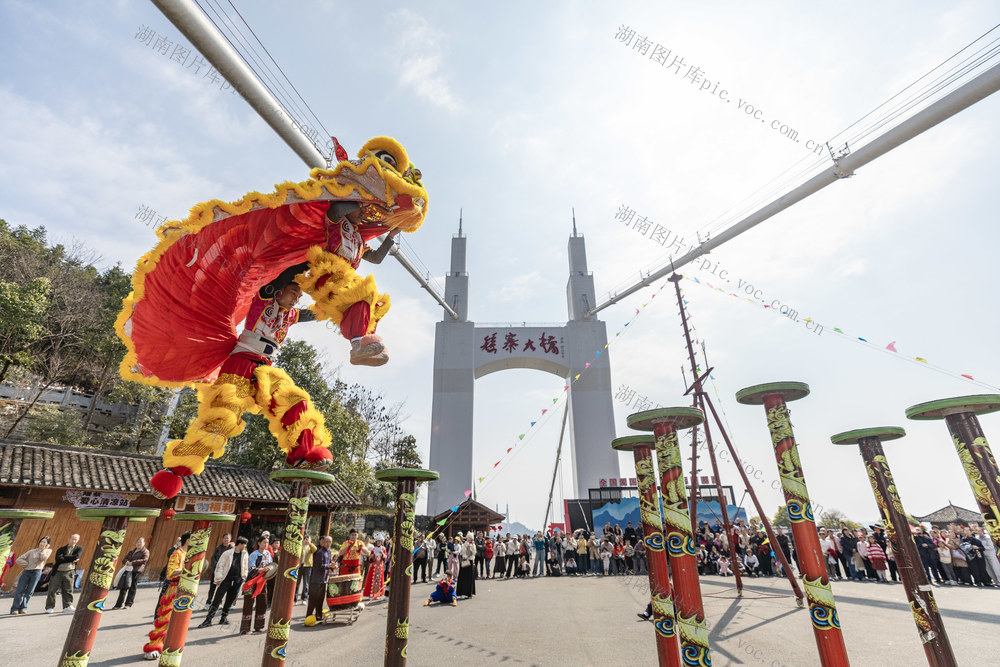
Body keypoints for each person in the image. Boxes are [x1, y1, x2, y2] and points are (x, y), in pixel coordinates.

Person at [144, 531, 190, 659]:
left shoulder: (189, 555)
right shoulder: (177, 554)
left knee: (179, 622)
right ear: (188, 540)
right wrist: (188, 568)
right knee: (165, 619)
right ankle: (154, 647)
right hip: (174, 590)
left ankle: (168, 646)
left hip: (185, 590)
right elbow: (170, 573)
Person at [199, 536, 248, 627]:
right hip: (226, 579)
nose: (245, 546)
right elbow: (220, 566)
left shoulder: (245, 554)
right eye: (244, 544)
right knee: (217, 599)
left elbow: (245, 566)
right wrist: (219, 578)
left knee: (230, 599)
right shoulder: (227, 553)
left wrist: (243, 577)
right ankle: (208, 619)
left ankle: (224, 618)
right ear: (240, 544)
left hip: (237, 580)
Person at [10, 536, 51, 614]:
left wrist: (43, 550)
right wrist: (27, 564)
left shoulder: (48, 551)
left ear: (47, 544)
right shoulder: (31, 551)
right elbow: (19, 559)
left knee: (30, 591)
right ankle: (14, 608)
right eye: (41, 541)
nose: (42, 543)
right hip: (26, 572)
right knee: (19, 590)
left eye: (44, 542)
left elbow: (43, 558)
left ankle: (23, 607)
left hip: (37, 572)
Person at [242, 536, 273, 634]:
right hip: (252, 581)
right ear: (259, 543)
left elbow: (271, 566)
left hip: (262, 582)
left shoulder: (268, 554)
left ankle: (259, 626)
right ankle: (245, 629)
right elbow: (251, 569)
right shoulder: (254, 554)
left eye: (267, 542)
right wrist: (262, 570)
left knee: (262, 603)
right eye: (264, 542)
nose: (266, 544)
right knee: (248, 604)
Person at [45, 534, 82, 613]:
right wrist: (71, 558)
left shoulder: (79, 548)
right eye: (72, 539)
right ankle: (49, 607)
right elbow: (59, 559)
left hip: (70, 571)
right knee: (52, 589)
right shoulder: (61, 549)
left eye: (75, 539)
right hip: (58, 571)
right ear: (69, 539)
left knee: (68, 589)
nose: (74, 541)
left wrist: (66, 557)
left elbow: (77, 557)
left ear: (78, 540)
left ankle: (67, 606)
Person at [111, 537, 149, 610]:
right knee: (123, 587)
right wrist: (127, 562)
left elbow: (144, 560)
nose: (138, 544)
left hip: (136, 570)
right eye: (137, 542)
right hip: (128, 570)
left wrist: (132, 563)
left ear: (144, 543)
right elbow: (124, 559)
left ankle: (128, 604)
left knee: (132, 588)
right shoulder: (132, 551)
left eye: (140, 542)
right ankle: (118, 604)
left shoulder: (145, 551)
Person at [306, 536, 332, 622]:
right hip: (316, 580)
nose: (328, 544)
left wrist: (332, 566)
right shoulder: (320, 552)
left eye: (330, 542)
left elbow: (329, 562)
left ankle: (319, 616)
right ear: (323, 543)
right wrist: (329, 566)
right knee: (313, 599)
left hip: (324, 579)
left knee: (320, 599)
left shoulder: (329, 551)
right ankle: (308, 616)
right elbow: (319, 566)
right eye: (326, 542)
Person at [205, 533, 232, 607]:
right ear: (222, 539)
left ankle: (218, 603)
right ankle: (208, 602)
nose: (226, 539)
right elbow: (213, 558)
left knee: (221, 589)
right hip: (216, 570)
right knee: (212, 588)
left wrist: (223, 567)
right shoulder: (218, 548)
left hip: (225, 572)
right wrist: (217, 565)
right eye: (225, 538)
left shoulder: (231, 549)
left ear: (230, 539)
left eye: (227, 538)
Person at [297, 535, 317, 603]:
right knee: (297, 582)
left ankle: (304, 598)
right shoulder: (301, 545)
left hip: (308, 566)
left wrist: (309, 543)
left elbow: (315, 549)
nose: (306, 540)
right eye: (305, 539)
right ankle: (295, 598)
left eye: (308, 539)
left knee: (306, 583)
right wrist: (302, 543)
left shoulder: (311, 546)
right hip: (299, 565)